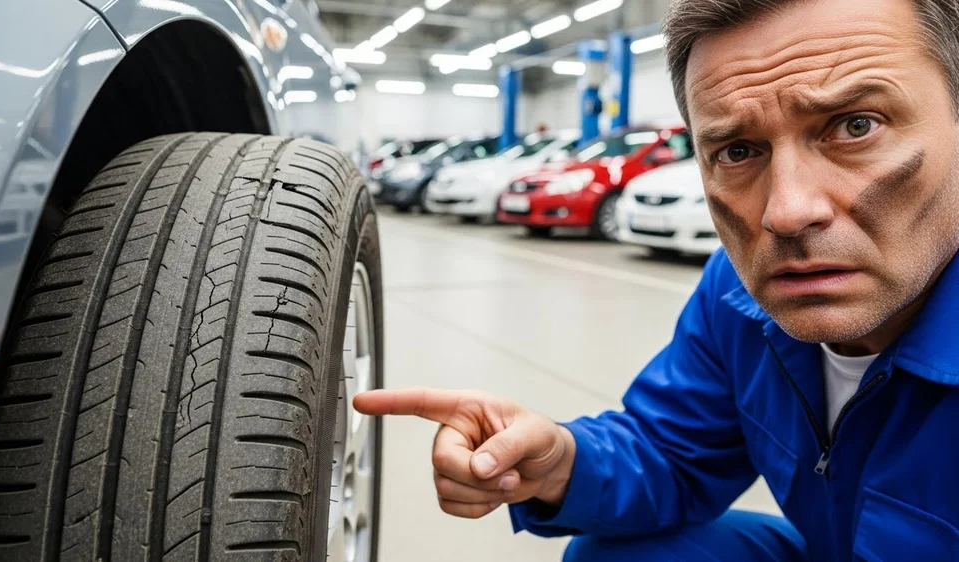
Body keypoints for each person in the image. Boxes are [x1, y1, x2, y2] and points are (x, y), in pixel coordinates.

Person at [354, 0, 959, 559]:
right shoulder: (737, 294)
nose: (787, 211)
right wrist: (560, 462)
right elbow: (675, 451)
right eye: (738, 152)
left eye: (856, 126)